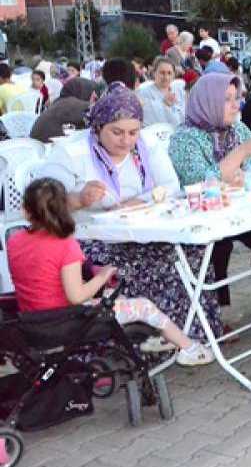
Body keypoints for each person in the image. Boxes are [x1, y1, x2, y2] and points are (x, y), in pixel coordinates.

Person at [42, 82, 223, 343]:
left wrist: (139, 201)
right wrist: (78, 199)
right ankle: (142, 342)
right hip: (90, 239)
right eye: (117, 132)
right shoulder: (72, 151)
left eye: (132, 132)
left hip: (142, 230)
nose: (126, 140)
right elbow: (44, 199)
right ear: (98, 126)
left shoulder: (146, 145)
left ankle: (192, 333)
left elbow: (170, 185)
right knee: (146, 262)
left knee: (192, 252)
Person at [9, 178, 213, 364]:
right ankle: (190, 349)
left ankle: (157, 337)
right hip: (68, 319)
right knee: (144, 305)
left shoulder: (14, 240)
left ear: (25, 210)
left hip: (33, 320)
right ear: (65, 208)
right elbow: (76, 296)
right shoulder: (65, 244)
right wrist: (103, 275)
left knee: (116, 298)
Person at [168, 73, 251, 318]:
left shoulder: (236, 129)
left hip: (236, 207)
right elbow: (201, 182)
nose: (237, 105)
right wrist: (241, 154)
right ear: (208, 102)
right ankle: (220, 310)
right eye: (227, 100)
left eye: (237, 98)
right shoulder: (184, 138)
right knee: (219, 245)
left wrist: (248, 174)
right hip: (202, 217)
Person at [30, 77, 98, 143]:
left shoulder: (57, 103)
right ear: (85, 91)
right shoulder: (76, 105)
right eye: (94, 98)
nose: (94, 101)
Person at [137, 56, 186, 127]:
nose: (166, 77)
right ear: (154, 73)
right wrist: (165, 105)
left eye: (169, 73)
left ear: (174, 74)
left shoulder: (178, 91)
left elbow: (183, 117)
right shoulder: (144, 92)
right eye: (162, 73)